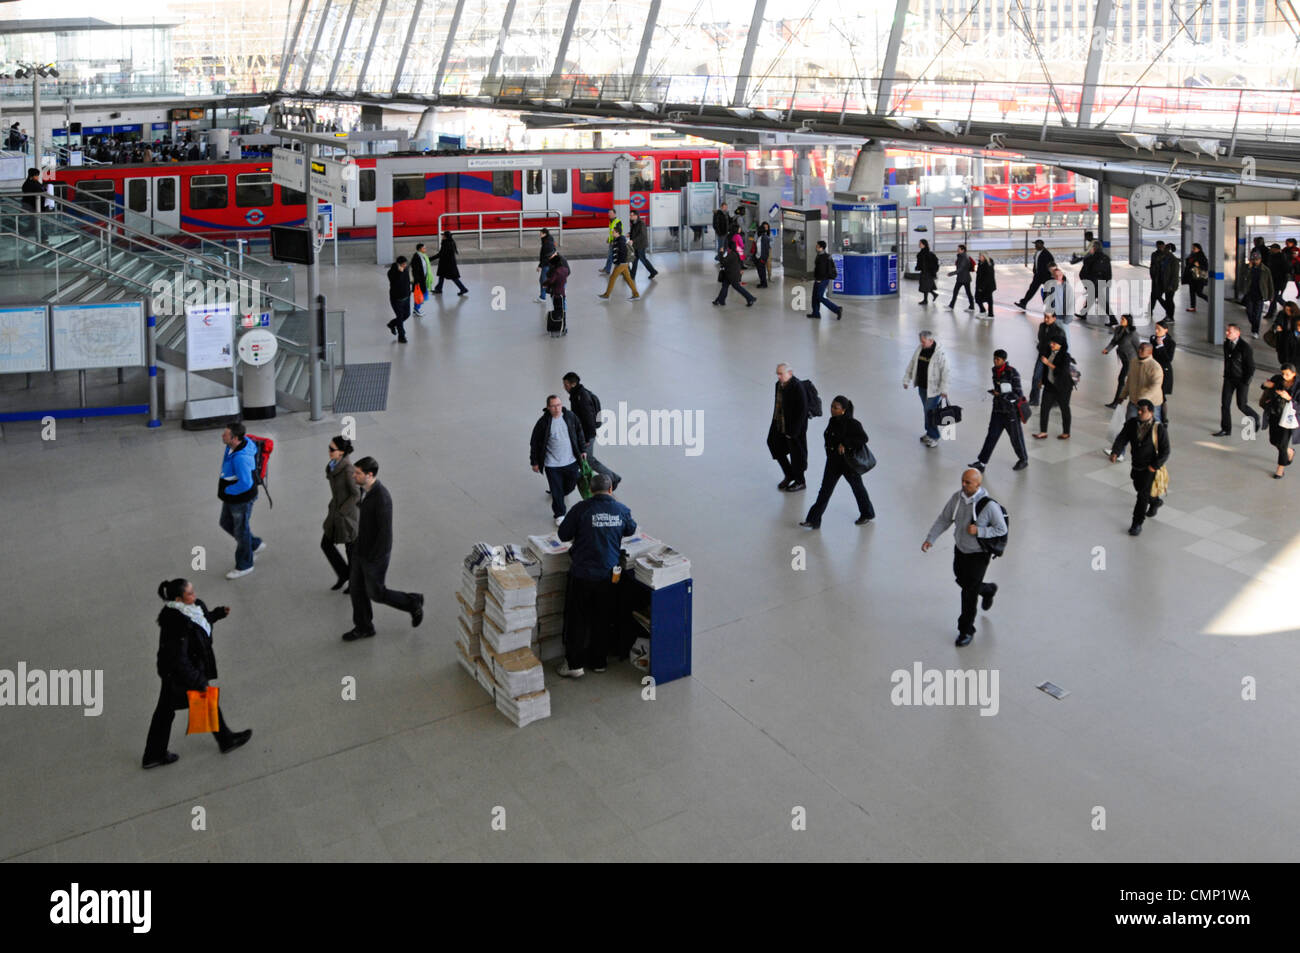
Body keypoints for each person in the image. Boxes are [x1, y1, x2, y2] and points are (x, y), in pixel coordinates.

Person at [142, 578, 253, 769]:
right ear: (178, 599)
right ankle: (225, 740)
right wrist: (197, 680)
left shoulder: (193, 608)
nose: (194, 595)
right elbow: (178, 659)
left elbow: (201, 624)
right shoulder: (176, 624)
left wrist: (216, 615)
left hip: (182, 671)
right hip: (179, 674)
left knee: (166, 712)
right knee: (192, 703)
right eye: (190, 593)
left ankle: (154, 754)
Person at [555, 473, 637, 677]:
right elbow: (631, 529)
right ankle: (599, 661)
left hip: (582, 574)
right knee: (603, 617)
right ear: (611, 490)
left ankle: (574, 665)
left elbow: (563, 534)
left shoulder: (581, 509)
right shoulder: (621, 510)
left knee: (577, 619)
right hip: (609, 576)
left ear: (590, 490)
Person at [921, 468, 1008, 647]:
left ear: (978, 484)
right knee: (961, 579)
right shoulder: (957, 498)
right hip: (960, 549)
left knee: (968, 593)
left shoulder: (989, 506)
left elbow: (1002, 529)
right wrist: (931, 538)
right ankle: (987, 589)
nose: (963, 484)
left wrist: (980, 531)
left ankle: (966, 630)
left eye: (967, 482)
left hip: (979, 555)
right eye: (962, 481)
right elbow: (944, 519)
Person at [342, 457, 425, 641]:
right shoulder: (364, 491)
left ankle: (413, 602)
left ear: (370, 475)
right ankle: (364, 627)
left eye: (358, 473)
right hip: (360, 551)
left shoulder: (382, 499)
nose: (354, 475)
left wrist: (372, 559)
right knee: (356, 591)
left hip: (374, 556)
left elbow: (384, 535)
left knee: (376, 593)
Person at [799, 396, 876, 528]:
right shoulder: (832, 420)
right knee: (824, 491)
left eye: (836, 408)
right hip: (833, 463)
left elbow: (863, 438)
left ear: (844, 410)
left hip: (848, 464)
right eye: (832, 406)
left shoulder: (853, 424)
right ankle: (813, 520)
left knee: (858, 489)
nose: (832, 410)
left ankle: (867, 514)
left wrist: (845, 444)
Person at [1109, 399, 1170, 536]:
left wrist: (1154, 467)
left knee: (1141, 496)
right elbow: (1122, 438)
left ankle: (1137, 523)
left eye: (1143, 410)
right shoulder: (1132, 423)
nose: (1139, 412)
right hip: (1136, 466)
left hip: (1150, 469)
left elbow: (1165, 451)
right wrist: (1116, 451)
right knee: (1140, 488)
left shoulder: (1158, 428)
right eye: (1138, 410)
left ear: (1151, 412)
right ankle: (1155, 501)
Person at [530, 394, 587, 523]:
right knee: (556, 490)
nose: (557, 408)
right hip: (552, 464)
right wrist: (534, 462)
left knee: (571, 484)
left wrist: (583, 450)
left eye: (559, 405)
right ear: (548, 407)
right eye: (553, 406)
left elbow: (579, 432)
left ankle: (561, 493)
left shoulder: (570, 417)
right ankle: (559, 514)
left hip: (571, 461)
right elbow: (535, 442)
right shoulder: (543, 423)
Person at [218, 422, 264, 580]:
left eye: (226, 434)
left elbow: (246, 483)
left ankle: (245, 564)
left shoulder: (241, 458)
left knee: (240, 530)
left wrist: (227, 490)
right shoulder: (232, 447)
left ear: (235, 438)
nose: (222, 436)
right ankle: (254, 544)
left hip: (240, 499)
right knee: (225, 523)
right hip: (232, 497)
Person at [970, 349, 1029, 472]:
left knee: (1016, 437)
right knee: (991, 436)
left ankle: (1023, 459)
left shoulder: (1013, 373)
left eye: (998, 359)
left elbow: (1018, 394)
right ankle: (982, 462)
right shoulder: (994, 371)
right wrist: (996, 393)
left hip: (1011, 412)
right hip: (997, 410)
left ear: (1004, 360)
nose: (995, 361)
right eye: (994, 359)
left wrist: (1000, 395)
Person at [563, 372, 620, 490]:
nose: (565, 387)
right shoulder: (577, 395)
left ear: (573, 384)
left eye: (566, 384)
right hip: (583, 435)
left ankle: (612, 477)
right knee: (584, 459)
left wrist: (587, 439)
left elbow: (588, 419)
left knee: (588, 460)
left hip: (586, 436)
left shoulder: (581, 397)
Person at [322, 435, 360, 591]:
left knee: (351, 549)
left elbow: (356, 494)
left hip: (347, 517)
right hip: (336, 512)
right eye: (329, 447)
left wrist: (343, 511)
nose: (329, 451)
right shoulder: (333, 465)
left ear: (342, 452)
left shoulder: (348, 470)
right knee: (326, 544)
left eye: (332, 449)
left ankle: (354, 582)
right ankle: (344, 574)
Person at [903, 330, 950, 448]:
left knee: (930, 412)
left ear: (931, 340)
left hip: (934, 390)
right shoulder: (920, 349)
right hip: (922, 387)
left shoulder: (940, 354)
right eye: (921, 342)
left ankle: (934, 436)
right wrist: (906, 379)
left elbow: (945, 372)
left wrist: (944, 389)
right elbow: (912, 363)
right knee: (926, 410)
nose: (922, 344)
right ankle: (929, 432)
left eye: (924, 342)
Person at [1214, 323, 1261, 436]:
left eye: (1229, 331)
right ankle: (1226, 429)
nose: (1227, 333)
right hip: (1229, 379)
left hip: (1241, 380)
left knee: (1242, 405)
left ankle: (1255, 417)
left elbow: (1251, 367)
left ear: (1237, 333)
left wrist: (1245, 381)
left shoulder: (1245, 348)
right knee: (1225, 404)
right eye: (1227, 331)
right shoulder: (1227, 344)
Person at [769, 363, 809, 491]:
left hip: (795, 428)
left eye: (781, 373)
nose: (779, 376)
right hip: (780, 423)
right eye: (777, 374)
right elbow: (778, 405)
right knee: (773, 443)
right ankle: (789, 474)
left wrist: (794, 432)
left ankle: (800, 481)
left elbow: (803, 411)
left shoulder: (797, 387)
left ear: (790, 373)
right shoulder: (778, 385)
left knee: (797, 454)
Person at [1260, 364, 1299, 478]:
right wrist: (1266, 385)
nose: (1284, 376)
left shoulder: (1298, 385)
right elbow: (1263, 386)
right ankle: (1290, 451)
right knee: (1273, 440)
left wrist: (1289, 398)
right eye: (1283, 373)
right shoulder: (1277, 379)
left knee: (1282, 444)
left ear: (1294, 374)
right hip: (1274, 414)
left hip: (1288, 417)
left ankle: (1280, 470)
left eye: (1287, 374)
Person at [1032, 337, 1074, 440]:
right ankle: (1043, 432)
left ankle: (1066, 432)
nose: (1052, 345)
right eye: (1051, 343)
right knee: (1044, 408)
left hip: (1063, 387)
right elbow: (1045, 370)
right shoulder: (1048, 353)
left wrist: (1048, 363)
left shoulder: (1065, 356)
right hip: (1050, 386)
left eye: (1054, 343)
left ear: (1061, 345)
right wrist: (1042, 380)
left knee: (1064, 408)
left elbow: (1062, 371)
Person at [1118, 340, 1165, 422]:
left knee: (1154, 424)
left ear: (1150, 352)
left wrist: (1143, 398)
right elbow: (1130, 380)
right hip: (1134, 401)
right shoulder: (1133, 362)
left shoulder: (1155, 367)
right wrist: (1123, 395)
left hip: (1151, 404)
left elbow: (1155, 386)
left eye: (1142, 349)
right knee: (1130, 422)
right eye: (1139, 348)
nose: (1139, 350)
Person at [1028, 309, 1067, 406]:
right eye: (1045, 316)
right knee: (1036, 377)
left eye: (1048, 317)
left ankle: (1056, 400)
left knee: (1052, 379)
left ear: (1054, 318)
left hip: (1053, 358)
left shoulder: (1059, 331)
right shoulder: (1042, 326)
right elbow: (1040, 339)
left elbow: (1062, 346)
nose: (1046, 319)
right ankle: (1034, 399)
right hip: (1042, 355)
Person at [1102, 313, 1138, 408]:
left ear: (1128, 322)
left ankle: (1117, 402)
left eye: (1123, 319)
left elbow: (1138, 347)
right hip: (1124, 359)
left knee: (1121, 379)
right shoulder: (1118, 329)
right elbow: (1114, 341)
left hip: (1131, 360)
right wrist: (1107, 349)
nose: (1121, 320)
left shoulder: (1132, 333)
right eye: (1121, 319)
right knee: (1123, 380)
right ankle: (1119, 400)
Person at [598, 223, 639, 300]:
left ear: (617, 233)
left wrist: (620, 263)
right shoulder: (617, 239)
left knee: (612, 278)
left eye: (613, 232)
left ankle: (607, 295)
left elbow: (623, 253)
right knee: (628, 279)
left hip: (622, 263)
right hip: (622, 263)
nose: (612, 233)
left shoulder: (621, 241)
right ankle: (636, 294)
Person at [1076, 240, 1113, 322]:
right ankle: (1083, 314)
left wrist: (1086, 284)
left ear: (1094, 248)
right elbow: (1108, 273)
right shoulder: (1106, 258)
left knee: (1101, 302)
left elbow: (1083, 273)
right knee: (1092, 298)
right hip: (1101, 283)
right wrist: (1107, 283)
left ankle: (1113, 319)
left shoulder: (1089, 259)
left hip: (1093, 283)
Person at [1015, 239, 1055, 309]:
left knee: (1048, 293)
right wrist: (1034, 270)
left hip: (1046, 276)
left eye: (1036, 244)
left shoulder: (1047, 254)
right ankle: (1023, 303)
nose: (1035, 246)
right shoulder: (1037, 252)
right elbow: (1036, 262)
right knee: (1032, 289)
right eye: (1035, 244)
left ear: (1041, 245)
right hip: (1038, 275)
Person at [713, 241, 754, 307]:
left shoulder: (731, 254)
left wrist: (720, 252)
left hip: (732, 275)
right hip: (731, 274)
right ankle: (719, 301)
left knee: (737, 287)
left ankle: (750, 298)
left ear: (729, 247)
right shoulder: (735, 253)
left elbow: (723, 262)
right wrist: (740, 270)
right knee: (725, 286)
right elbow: (739, 262)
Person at [1150, 320, 1176, 423]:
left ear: (1166, 330)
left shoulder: (1170, 343)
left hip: (1164, 371)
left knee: (1161, 396)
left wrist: (1161, 346)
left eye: (1159, 329)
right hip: (1153, 369)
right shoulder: (1153, 338)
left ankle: (1163, 418)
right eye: (1156, 329)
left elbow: (1168, 359)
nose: (1156, 331)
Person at [808, 240, 842, 319]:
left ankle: (837, 309)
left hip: (822, 279)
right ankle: (815, 313)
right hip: (820, 278)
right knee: (814, 296)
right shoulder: (823, 255)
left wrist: (819, 279)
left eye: (817, 246)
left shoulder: (822, 257)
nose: (815, 247)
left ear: (821, 248)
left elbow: (822, 270)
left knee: (819, 296)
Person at [1241, 251, 1272, 337]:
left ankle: (1255, 331)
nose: (1255, 261)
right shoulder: (1248, 268)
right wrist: (1249, 269)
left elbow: (1270, 283)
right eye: (1253, 260)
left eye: (1257, 260)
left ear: (1260, 260)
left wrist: (1270, 295)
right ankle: (1254, 324)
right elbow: (1244, 278)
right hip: (1250, 293)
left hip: (1260, 294)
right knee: (1249, 311)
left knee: (1257, 314)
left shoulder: (1265, 270)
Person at [431, 231, 468, 295]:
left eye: (443, 235)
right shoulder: (450, 242)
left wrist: (430, 259)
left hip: (447, 265)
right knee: (442, 276)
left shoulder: (446, 243)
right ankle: (439, 289)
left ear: (445, 236)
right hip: (448, 264)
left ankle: (463, 289)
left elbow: (440, 254)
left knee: (454, 278)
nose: (442, 236)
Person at [386, 256, 412, 343]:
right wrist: (400, 273)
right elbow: (395, 283)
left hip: (406, 297)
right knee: (400, 317)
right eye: (404, 264)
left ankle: (392, 324)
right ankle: (402, 336)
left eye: (406, 264)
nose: (405, 265)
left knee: (407, 314)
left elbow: (407, 281)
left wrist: (409, 292)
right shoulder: (391, 272)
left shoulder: (406, 269)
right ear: (398, 264)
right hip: (396, 299)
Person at [628, 211, 658, 281]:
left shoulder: (641, 223)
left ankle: (653, 271)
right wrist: (629, 234)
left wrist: (633, 240)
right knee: (634, 260)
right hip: (636, 245)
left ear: (636, 216)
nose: (630, 217)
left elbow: (642, 235)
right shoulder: (633, 223)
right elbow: (635, 232)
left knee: (643, 259)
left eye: (632, 215)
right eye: (630, 215)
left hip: (641, 245)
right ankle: (632, 275)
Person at [1265, 242, 1290, 323]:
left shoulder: (1281, 258)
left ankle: (1288, 308)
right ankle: (1273, 312)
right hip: (1274, 281)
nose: (1270, 249)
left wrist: (1282, 282)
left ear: (1276, 249)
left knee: (1275, 297)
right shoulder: (1272, 257)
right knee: (1274, 297)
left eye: (1272, 248)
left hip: (1278, 281)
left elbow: (1285, 270)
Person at [543, 250, 569, 328]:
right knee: (559, 302)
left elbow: (552, 279)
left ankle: (560, 319)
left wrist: (560, 279)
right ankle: (560, 318)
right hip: (558, 286)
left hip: (558, 287)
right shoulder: (555, 261)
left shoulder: (561, 262)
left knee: (559, 304)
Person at [1271, 301, 1300, 367]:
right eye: (1286, 309)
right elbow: (1276, 323)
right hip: (1282, 340)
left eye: (1289, 310)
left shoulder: (1298, 317)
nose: (1287, 311)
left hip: (1293, 342)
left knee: (1291, 359)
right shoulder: (1281, 314)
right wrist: (1276, 327)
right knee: (1282, 358)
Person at [946, 244, 974, 310]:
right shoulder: (961, 256)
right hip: (962, 278)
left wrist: (951, 273)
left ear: (963, 250)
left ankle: (971, 307)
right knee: (957, 292)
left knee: (967, 293)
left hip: (964, 278)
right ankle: (951, 306)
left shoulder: (964, 257)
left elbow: (960, 269)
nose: (957, 250)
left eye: (958, 249)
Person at [1184, 243, 1209, 313]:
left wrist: (1199, 265)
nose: (1193, 249)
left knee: (1199, 292)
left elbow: (1206, 267)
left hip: (1199, 278)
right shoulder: (1191, 255)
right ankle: (1192, 307)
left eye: (1194, 248)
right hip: (1192, 277)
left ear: (1199, 249)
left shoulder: (1202, 257)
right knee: (1191, 292)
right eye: (1192, 248)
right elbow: (1188, 264)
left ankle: (1210, 301)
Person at [1157, 243, 1180, 321]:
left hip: (1171, 285)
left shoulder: (1173, 260)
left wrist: (1171, 285)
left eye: (1165, 249)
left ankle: (1170, 316)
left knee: (1169, 300)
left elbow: (1175, 275)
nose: (1163, 250)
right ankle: (1168, 314)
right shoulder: (1165, 258)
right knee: (1164, 298)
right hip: (1165, 283)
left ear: (1169, 250)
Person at [1146, 241, 1168, 319]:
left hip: (1162, 279)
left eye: (1161, 246)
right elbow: (1152, 266)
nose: (1160, 248)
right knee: (1154, 295)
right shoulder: (1155, 254)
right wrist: (1152, 276)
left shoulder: (1166, 255)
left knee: (1157, 296)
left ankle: (1168, 310)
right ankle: (1150, 310)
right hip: (1156, 278)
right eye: (1159, 246)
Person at [410, 243, 432, 316]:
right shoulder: (416, 257)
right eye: (424, 248)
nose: (425, 249)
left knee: (422, 294)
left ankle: (416, 308)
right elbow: (415, 270)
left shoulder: (423, 256)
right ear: (420, 249)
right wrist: (417, 281)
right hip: (419, 280)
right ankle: (416, 309)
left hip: (423, 278)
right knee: (420, 295)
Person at [915, 238, 939, 305]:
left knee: (925, 286)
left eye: (920, 243)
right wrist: (918, 267)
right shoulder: (921, 253)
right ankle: (934, 295)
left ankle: (926, 300)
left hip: (927, 272)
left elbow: (934, 262)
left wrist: (933, 270)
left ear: (924, 244)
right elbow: (920, 263)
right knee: (926, 285)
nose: (919, 245)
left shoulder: (927, 254)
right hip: (925, 272)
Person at [20, 167, 43, 237]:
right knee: (35, 221)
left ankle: (25, 235)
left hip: (34, 205)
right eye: (36, 175)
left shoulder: (34, 182)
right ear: (32, 176)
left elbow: (40, 188)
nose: (38, 177)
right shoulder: (28, 184)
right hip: (30, 205)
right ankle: (41, 236)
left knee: (34, 222)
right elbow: (31, 194)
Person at [599, 209, 622, 274]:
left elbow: (619, 232)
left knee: (613, 256)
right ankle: (607, 269)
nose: (609, 214)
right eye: (609, 213)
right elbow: (611, 232)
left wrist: (614, 241)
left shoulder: (617, 222)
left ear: (614, 214)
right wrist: (609, 238)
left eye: (611, 213)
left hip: (615, 242)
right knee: (610, 256)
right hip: (612, 241)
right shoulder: (611, 221)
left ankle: (620, 270)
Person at [974, 252, 996, 318]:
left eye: (980, 256)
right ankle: (983, 311)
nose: (979, 257)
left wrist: (981, 287)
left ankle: (990, 314)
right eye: (979, 256)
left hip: (987, 286)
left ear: (984, 257)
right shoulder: (981, 263)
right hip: (982, 285)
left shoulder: (988, 264)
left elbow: (987, 277)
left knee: (988, 300)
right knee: (978, 298)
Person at [536, 229, 556, 300]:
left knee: (543, 280)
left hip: (547, 264)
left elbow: (545, 256)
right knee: (544, 280)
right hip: (550, 263)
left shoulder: (547, 243)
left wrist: (540, 266)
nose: (540, 235)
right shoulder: (548, 239)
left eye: (541, 233)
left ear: (545, 234)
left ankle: (543, 297)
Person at [754, 221, 773, 289]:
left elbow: (765, 250)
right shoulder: (760, 237)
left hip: (762, 258)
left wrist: (763, 259)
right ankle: (762, 283)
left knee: (762, 271)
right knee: (760, 271)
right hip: (758, 257)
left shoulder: (765, 238)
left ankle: (764, 284)